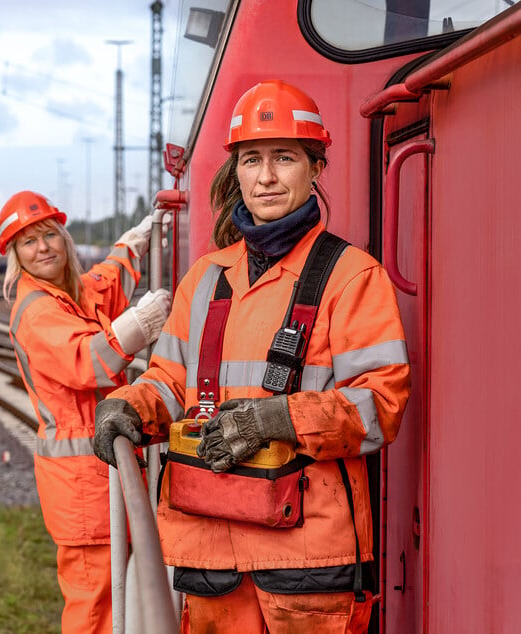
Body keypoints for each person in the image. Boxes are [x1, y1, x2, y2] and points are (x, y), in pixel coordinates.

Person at [93, 79, 411, 633]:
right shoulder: (207, 279)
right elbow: (169, 383)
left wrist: (279, 417)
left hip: (308, 565)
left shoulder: (352, 276)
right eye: (251, 160)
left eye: (284, 158)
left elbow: (379, 406)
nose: (265, 177)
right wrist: (129, 406)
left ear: (314, 167)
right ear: (235, 171)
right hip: (211, 556)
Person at [0, 190, 172, 634]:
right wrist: (139, 324)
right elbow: (88, 360)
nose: (43, 249)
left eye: (50, 235)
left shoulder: (68, 293)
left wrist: (132, 244)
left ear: (64, 238)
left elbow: (105, 281)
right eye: (29, 242)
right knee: (95, 612)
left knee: (117, 601)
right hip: (81, 489)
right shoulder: (36, 310)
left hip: (95, 476)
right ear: (16, 256)